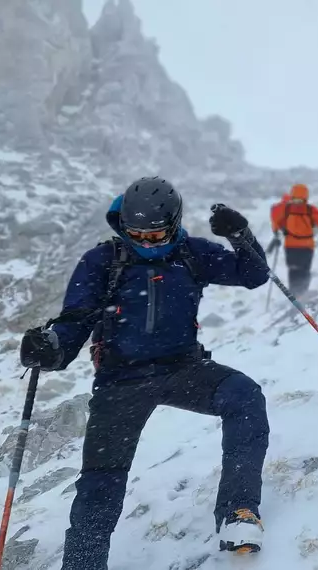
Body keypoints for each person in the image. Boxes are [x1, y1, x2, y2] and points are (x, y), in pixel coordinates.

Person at [18, 177, 271, 569]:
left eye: (155, 234)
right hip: (121, 381)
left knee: (245, 397)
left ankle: (239, 512)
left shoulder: (191, 254)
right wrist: (48, 348)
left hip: (184, 367)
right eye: (135, 233)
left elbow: (253, 275)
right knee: (101, 483)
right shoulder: (103, 261)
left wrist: (241, 236)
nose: (146, 242)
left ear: (174, 223)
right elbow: (72, 328)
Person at [268, 183, 318, 296]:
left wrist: (277, 230)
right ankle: (302, 294)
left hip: (291, 246)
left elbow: (275, 217)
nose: (297, 202)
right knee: (304, 271)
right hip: (306, 246)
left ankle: (295, 295)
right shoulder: (310, 209)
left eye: (299, 199)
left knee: (294, 271)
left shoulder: (286, 208)